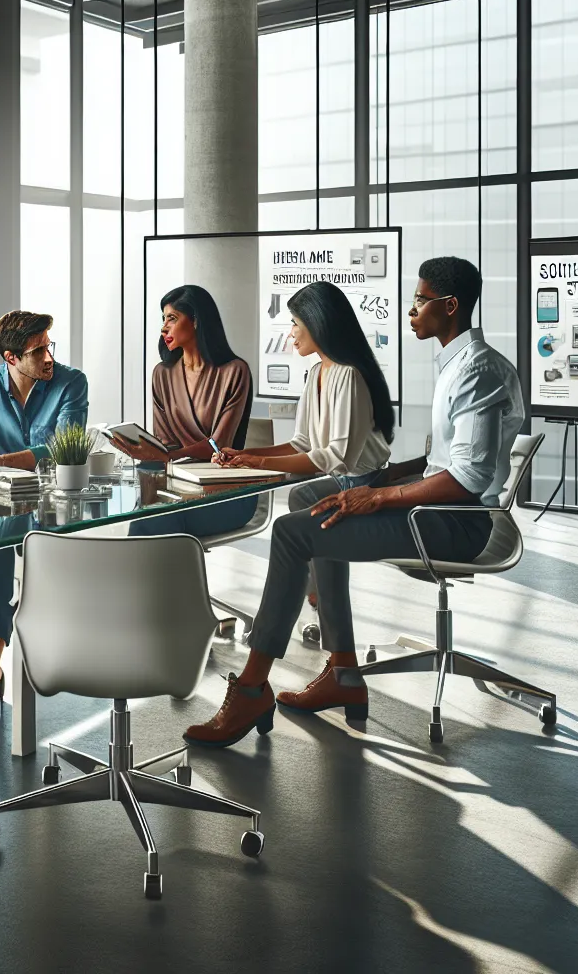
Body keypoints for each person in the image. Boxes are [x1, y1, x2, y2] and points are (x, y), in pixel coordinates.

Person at [183, 256, 526, 747]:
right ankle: (343, 671)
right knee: (316, 511)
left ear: (450, 306)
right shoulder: (458, 365)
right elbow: (442, 461)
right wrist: (389, 479)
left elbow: (467, 478)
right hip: (440, 509)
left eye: (419, 301)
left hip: (458, 523)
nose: (411, 311)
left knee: (292, 530)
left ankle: (254, 687)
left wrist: (379, 494)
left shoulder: (475, 370)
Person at [0, 310, 88, 723]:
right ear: (11, 358)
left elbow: (64, 447)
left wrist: (3, 459)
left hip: (61, 503)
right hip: (10, 498)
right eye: (38, 350)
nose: (49, 357)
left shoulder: (70, 382)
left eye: (50, 345)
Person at [213, 280, 394, 515]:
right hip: (344, 481)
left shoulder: (349, 375)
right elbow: (302, 443)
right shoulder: (317, 372)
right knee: (299, 502)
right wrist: (247, 455)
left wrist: (260, 463)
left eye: (294, 323)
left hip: (365, 486)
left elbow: (338, 458)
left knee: (298, 510)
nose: (291, 333)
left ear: (317, 322)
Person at [115, 284, 260, 540]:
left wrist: (167, 455)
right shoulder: (162, 374)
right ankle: (143, 575)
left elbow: (219, 446)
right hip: (176, 485)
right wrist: (150, 450)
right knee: (149, 511)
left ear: (195, 321)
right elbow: (164, 443)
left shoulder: (235, 371)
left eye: (172, 318)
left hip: (227, 490)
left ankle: (136, 575)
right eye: (163, 319)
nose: (163, 327)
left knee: (155, 517)